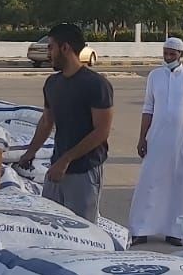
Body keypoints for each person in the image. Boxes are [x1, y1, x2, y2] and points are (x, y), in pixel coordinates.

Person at [17, 23, 114, 222]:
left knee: (82, 230)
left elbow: (101, 131)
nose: (48, 54)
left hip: (84, 171)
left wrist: (66, 160)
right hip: (56, 170)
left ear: (65, 48)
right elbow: (47, 121)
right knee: (50, 225)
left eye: (51, 47)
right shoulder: (52, 84)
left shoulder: (96, 85)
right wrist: (30, 153)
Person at [127, 37, 183, 245]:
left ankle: (175, 231)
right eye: (166, 53)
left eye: (172, 54)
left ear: (181, 54)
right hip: (157, 138)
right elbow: (148, 108)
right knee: (150, 182)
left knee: (180, 183)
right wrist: (142, 137)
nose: (168, 57)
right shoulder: (155, 76)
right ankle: (140, 229)